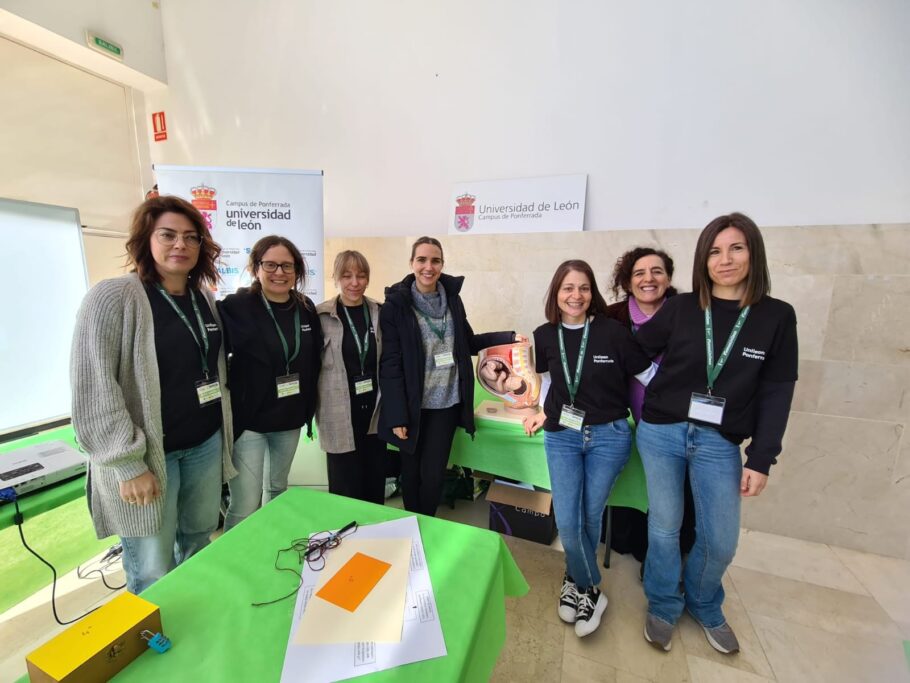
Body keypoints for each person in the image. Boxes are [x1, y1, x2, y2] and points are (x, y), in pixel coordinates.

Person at [635, 213, 798, 655]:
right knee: (665, 527)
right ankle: (664, 603)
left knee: (720, 539)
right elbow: (634, 346)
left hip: (718, 443)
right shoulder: (684, 307)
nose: (724, 260)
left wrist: (762, 458)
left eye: (736, 248)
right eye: (714, 251)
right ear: (703, 260)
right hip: (661, 432)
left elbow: (777, 391)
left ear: (754, 254)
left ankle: (705, 601)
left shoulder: (777, 317)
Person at [71, 195, 235, 594]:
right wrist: (128, 465)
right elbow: (94, 390)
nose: (180, 245)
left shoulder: (204, 301)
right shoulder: (113, 299)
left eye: (190, 237)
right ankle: (151, 638)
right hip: (148, 457)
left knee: (198, 541)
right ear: (146, 239)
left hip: (203, 446)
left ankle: (192, 623)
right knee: (151, 565)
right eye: (168, 235)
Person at [523, 260, 655, 638]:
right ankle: (590, 587)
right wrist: (539, 411)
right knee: (567, 518)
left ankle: (574, 582)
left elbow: (650, 378)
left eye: (583, 288)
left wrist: (664, 419)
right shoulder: (544, 335)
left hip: (609, 435)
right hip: (562, 434)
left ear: (591, 292)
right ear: (556, 293)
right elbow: (547, 382)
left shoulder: (614, 333)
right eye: (567, 288)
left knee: (589, 515)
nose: (575, 295)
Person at [378, 236, 520, 516]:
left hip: (446, 405)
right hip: (412, 406)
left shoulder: (453, 299)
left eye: (435, 260)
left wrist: (509, 337)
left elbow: (467, 341)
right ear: (411, 263)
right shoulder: (396, 305)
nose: (428, 266)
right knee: (411, 472)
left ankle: (427, 525)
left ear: (442, 264)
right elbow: (390, 364)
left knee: (433, 475)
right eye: (422, 259)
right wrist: (396, 415)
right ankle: (411, 524)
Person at [218, 236, 322, 531]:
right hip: (250, 421)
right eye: (271, 264)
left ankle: (269, 548)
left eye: (287, 266)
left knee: (278, 491)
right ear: (256, 267)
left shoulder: (305, 307)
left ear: (297, 270)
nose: (279, 272)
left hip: (289, 419)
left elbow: (314, 358)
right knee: (245, 502)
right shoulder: (236, 306)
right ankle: (235, 562)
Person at [603, 248, 695, 571]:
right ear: (628, 281)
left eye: (657, 271)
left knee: (673, 497)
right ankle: (629, 541)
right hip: (624, 420)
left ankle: (664, 560)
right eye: (639, 273)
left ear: (668, 277)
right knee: (630, 483)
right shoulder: (611, 316)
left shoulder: (688, 312)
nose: (648, 279)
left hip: (675, 423)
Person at [316, 250, 386, 504]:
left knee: (374, 484)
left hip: (375, 414)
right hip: (338, 413)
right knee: (344, 488)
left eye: (361, 275)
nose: (354, 282)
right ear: (336, 278)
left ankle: (376, 539)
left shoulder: (380, 313)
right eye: (346, 276)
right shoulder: (320, 316)